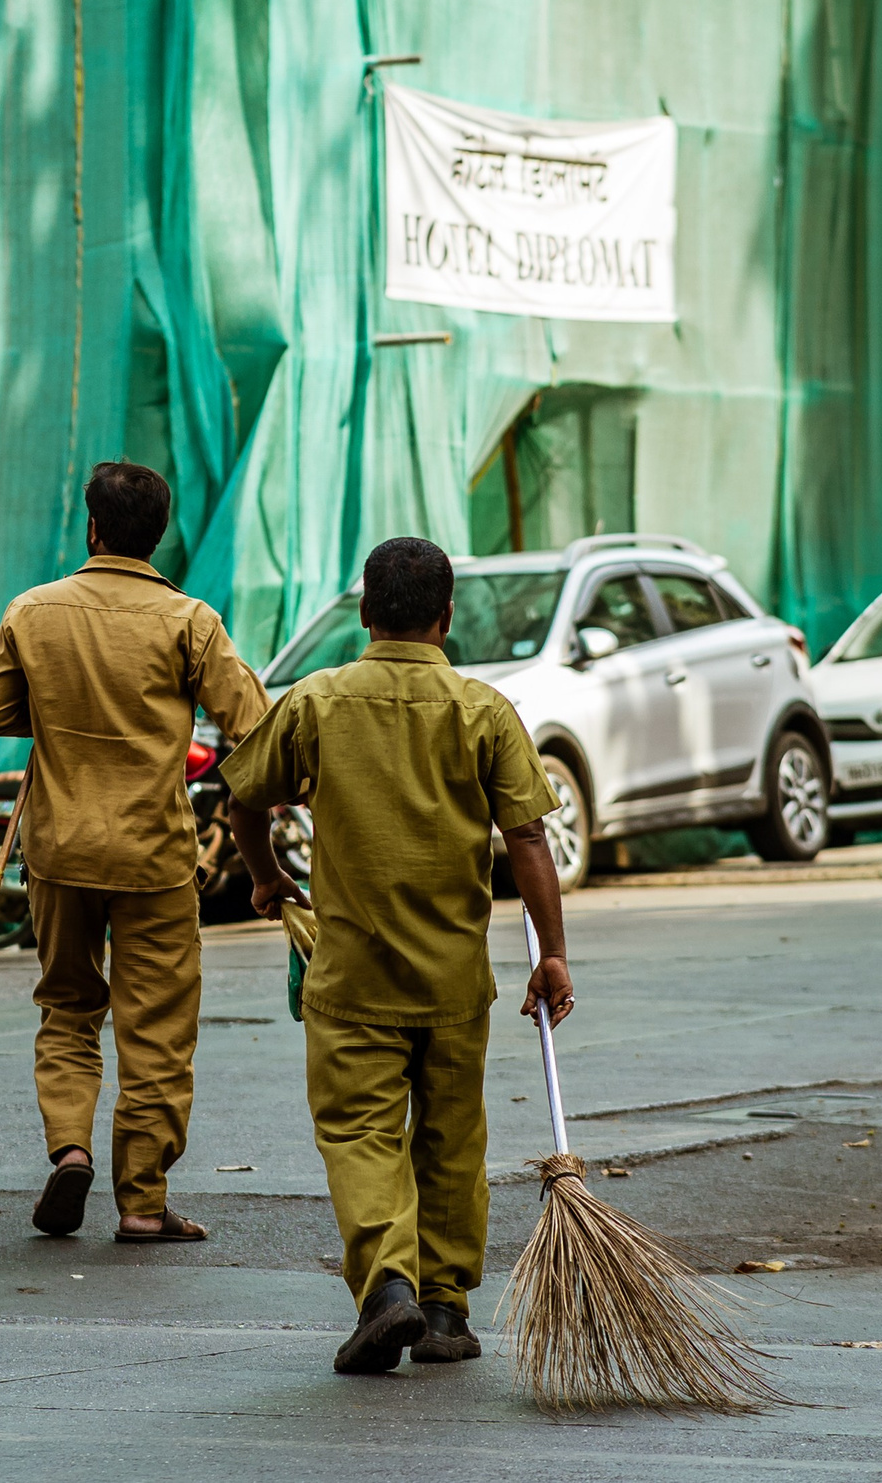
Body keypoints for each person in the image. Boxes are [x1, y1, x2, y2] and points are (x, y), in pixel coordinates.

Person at [219, 535, 574, 1374]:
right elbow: (526, 834)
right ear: (446, 617)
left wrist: (268, 878)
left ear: (367, 614)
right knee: (452, 1140)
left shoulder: (318, 702)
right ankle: (447, 1308)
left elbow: (243, 800)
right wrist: (552, 952)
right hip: (455, 979)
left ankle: (387, 1291)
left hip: (354, 978)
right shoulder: (484, 709)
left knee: (360, 1132)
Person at [0, 461, 267, 1243]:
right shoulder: (191, 620)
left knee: (68, 1006)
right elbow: (251, 723)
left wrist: (58, 706)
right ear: (157, 534)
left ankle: (70, 1148)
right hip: (154, 855)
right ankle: (141, 1201)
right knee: (157, 1027)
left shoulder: (34, 610)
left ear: (93, 529)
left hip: (59, 850)